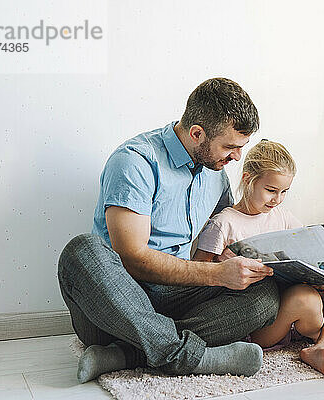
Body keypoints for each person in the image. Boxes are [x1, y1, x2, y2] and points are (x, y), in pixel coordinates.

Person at [57, 78, 281, 383]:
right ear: (197, 134)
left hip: (173, 299)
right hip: (116, 302)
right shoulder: (135, 161)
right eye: (231, 147)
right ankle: (190, 356)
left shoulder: (215, 173)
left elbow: (228, 229)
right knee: (82, 250)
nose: (237, 157)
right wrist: (216, 274)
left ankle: (129, 353)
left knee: (265, 294)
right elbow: (133, 258)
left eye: (241, 148)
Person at [194, 140, 324, 376]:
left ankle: (323, 344)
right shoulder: (224, 222)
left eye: (284, 191)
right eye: (271, 190)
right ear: (248, 179)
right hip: (262, 320)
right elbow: (198, 270)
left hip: (292, 307)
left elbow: (313, 242)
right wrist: (227, 270)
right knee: (304, 297)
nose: (277, 199)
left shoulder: (281, 216)